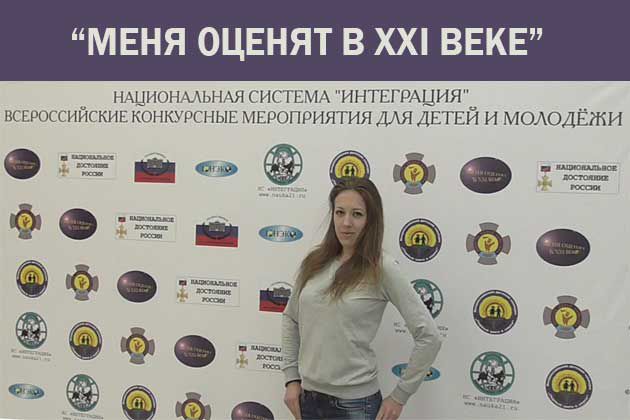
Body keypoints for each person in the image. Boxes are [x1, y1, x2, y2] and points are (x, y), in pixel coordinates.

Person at [281, 177, 442, 420]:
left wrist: (400, 396)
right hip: (309, 401)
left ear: (370, 220)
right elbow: (291, 318)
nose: (346, 223)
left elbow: (429, 336)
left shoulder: (381, 268)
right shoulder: (314, 262)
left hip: (356, 406)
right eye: (340, 212)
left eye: (357, 214)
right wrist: (291, 378)